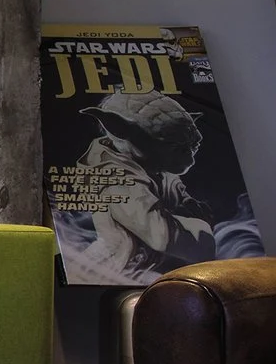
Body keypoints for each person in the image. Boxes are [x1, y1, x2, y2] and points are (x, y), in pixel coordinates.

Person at [52, 90, 261, 285]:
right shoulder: (115, 179)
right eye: (176, 148)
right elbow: (165, 236)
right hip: (119, 270)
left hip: (156, 268)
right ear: (122, 132)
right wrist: (199, 226)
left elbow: (182, 200)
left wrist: (188, 211)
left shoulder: (153, 163)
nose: (189, 158)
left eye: (191, 148)